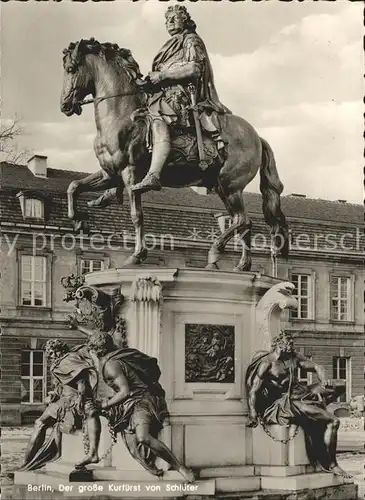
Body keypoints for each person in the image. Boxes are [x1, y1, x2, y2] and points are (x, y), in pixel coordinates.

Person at [131, 4, 230, 194]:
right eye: (167, 20)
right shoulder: (169, 45)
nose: (169, 22)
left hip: (182, 96)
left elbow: (194, 68)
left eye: (174, 18)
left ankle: (154, 175)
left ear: (185, 20)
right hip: (162, 94)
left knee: (156, 117)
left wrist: (162, 76)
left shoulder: (191, 40)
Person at [87, 331, 196, 483]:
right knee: (133, 439)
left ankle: (181, 467)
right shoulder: (119, 354)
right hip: (143, 398)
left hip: (143, 401)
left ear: (95, 351)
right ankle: (153, 464)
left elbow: (125, 391)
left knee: (142, 437)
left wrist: (105, 404)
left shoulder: (110, 365)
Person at [245, 331, 352, 479]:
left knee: (340, 385)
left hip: (302, 393)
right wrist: (252, 413)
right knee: (333, 421)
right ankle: (332, 464)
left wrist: (324, 380)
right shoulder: (267, 363)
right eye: (288, 344)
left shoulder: (293, 357)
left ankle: (317, 406)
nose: (291, 347)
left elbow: (317, 367)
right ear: (279, 344)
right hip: (287, 402)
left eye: (291, 344)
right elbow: (253, 390)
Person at [20, 339, 101, 471]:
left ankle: (26, 464)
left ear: (60, 349)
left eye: (53, 352)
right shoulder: (61, 362)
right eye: (49, 353)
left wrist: (81, 396)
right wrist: (54, 394)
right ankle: (26, 463)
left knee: (40, 423)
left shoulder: (69, 358)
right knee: (39, 423)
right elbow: (64, 385)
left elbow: (82, 380)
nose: (51, 355)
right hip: (64, 400)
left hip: (73, 401)